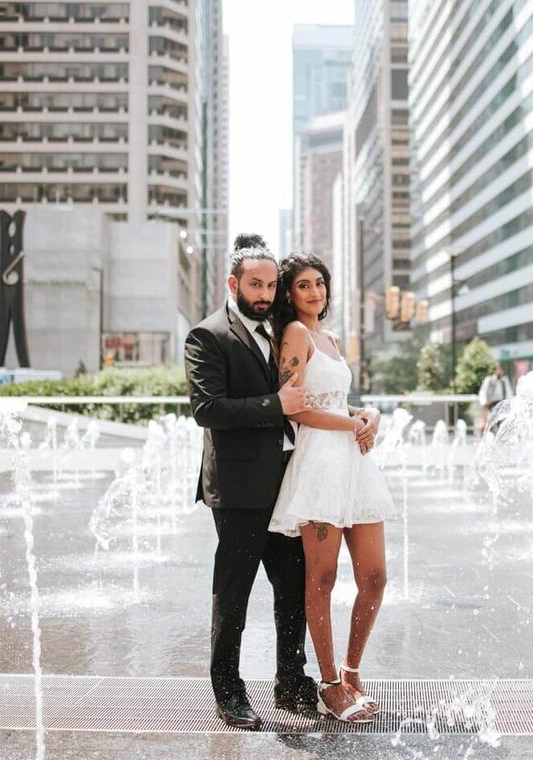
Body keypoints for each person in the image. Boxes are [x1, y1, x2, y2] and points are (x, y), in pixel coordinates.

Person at [184, 234, 316, 729]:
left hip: (286, 482)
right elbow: (207, 409)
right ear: (233, 283)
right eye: (255, 284)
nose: (264, 293)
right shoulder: (208, 335)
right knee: (234, 590)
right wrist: (274, 406)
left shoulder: (284, 328)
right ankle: (228, 691)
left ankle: (289, 680)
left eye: (270, 284)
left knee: (294, 584)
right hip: (239, 490)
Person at [269, 251, 392, 724]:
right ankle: (329, 684)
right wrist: (347, 422)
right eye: (303, 285)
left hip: (354, 460)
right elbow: (294, 408)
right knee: (322, 578)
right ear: (290, 293)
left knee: (375, 577)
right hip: (321, 460)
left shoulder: (332, 338)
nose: (315, 292)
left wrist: (369, 414)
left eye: (319, 283)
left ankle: (353, 669)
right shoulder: (296, 335)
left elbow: (340, 400)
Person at [477, 364, 512, 436]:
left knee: (502, 423)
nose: (500, 371)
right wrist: (484, 404)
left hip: (502, 404)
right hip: (491, 405)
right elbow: (483, 392)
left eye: (501, 370)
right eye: (498, 369)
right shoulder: (489, 380)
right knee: (491, 423)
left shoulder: (504, 381)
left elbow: (509, 393)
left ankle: (498, 438)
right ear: (495, 370)